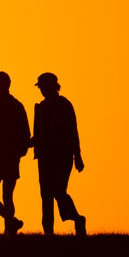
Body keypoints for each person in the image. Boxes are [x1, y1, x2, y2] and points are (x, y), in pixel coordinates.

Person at [30, 73, 86, 236]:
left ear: (53, 86)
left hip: (62, 155)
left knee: (58, 191)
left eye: (43, 85)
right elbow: (38, 135)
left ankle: (77, 218)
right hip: (44, 157)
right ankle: (48, 232)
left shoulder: (64, 105)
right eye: (39, 86)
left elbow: (72, 130)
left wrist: (78, 155)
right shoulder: (40, 107)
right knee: (46, 194)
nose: (41, 89)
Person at [0, 72, 31, 235]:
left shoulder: (15, 106)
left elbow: (25, 133)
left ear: (6, 85)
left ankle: (9, 229)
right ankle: (12, 222)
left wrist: (18, 152)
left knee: (6, 196)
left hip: (7, 157)